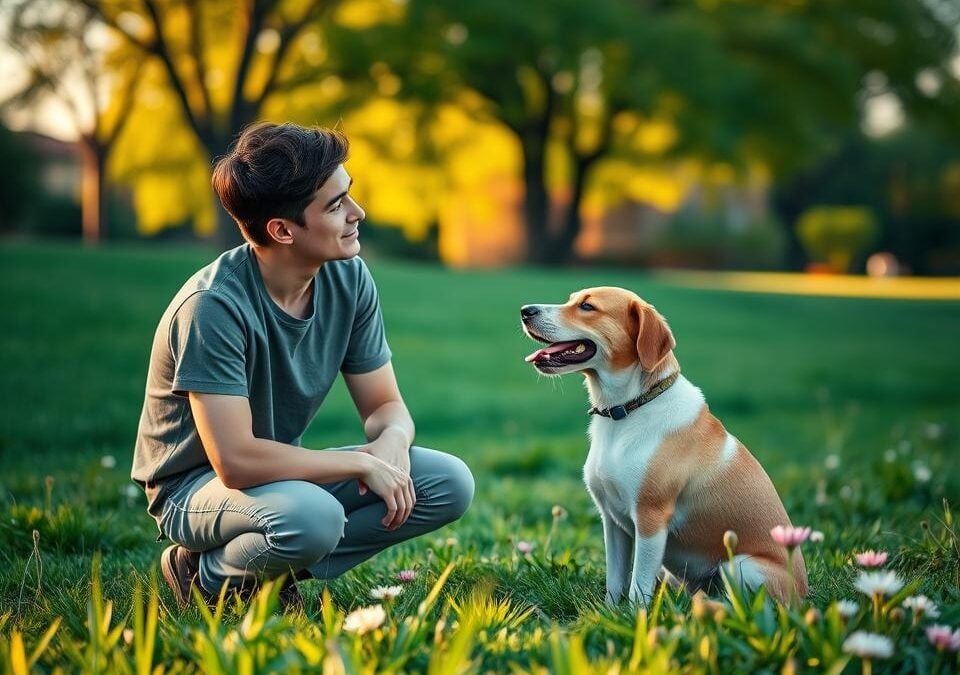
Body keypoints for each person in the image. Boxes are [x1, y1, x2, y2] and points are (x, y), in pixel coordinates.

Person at [130, 122, 474, 610]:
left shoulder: (348, 277)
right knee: (314, 517)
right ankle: (203, 572)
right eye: (335, 206)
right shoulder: (213, 308)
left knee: (447, 482)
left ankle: (268, 573)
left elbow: (385, 405)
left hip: (278, 474)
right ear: (282, 230)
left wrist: (392, 443)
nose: (358, 213)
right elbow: (236, 461)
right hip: (193, 488)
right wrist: (359, 462)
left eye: (348, 195)